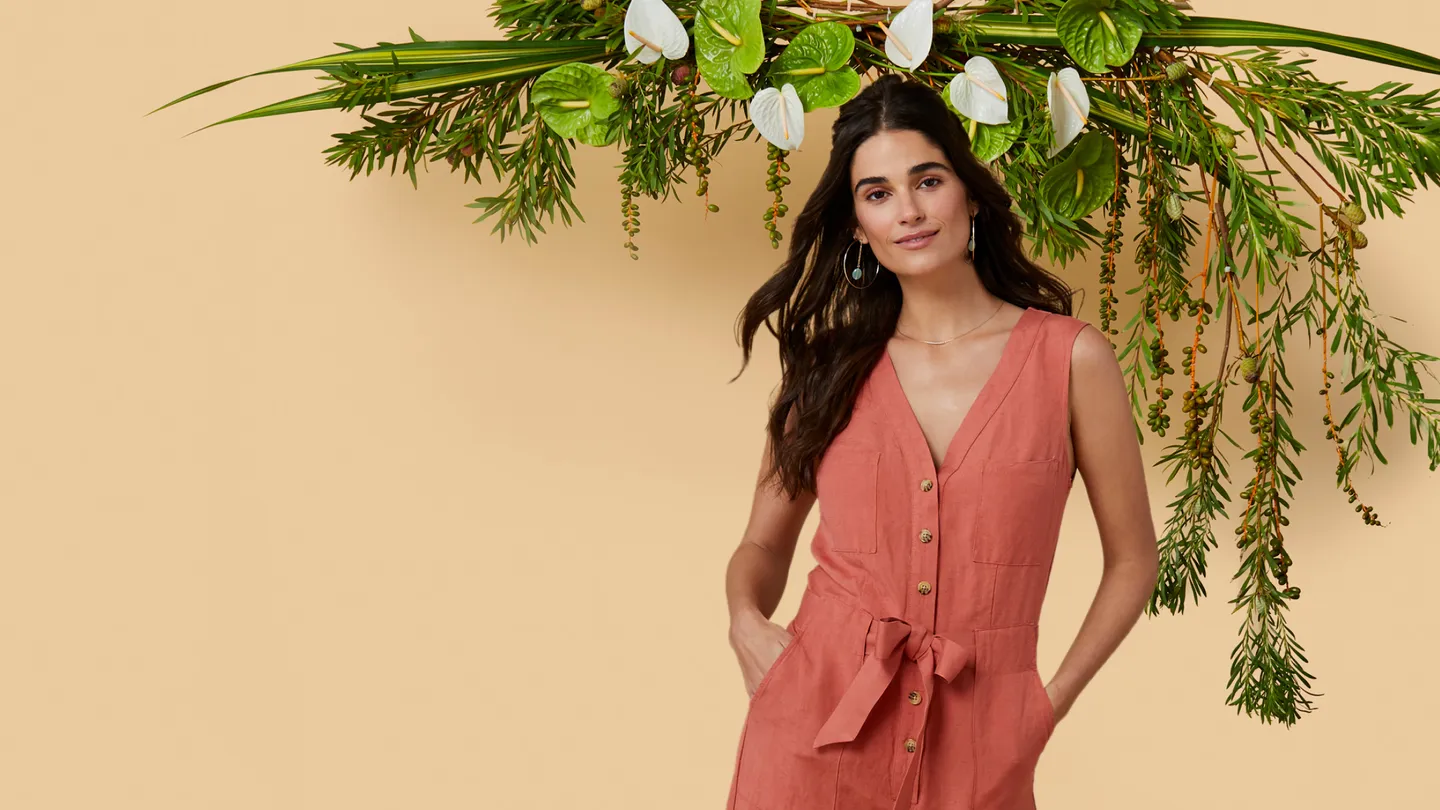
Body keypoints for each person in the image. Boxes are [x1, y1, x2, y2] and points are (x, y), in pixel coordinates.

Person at [723, 74, 1160, 810]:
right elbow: (763, 545)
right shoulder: (826, 370)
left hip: (982, 744)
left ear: (970, 194)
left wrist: (1046, 704)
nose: (910, 211)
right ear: (857, 225)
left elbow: (1134, 560)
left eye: (928, 180)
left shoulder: (1069, 359)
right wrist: (745, 622)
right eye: (878, 193)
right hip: (813, 730)